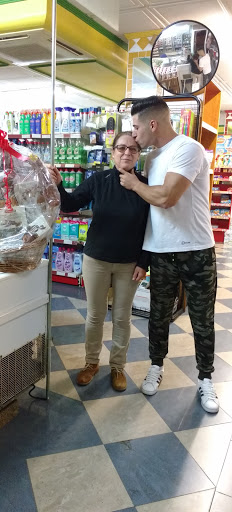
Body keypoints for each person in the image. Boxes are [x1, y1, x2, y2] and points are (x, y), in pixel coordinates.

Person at [119, 96, 219, 413]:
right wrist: (143, 256)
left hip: (196, 251)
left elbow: (165, 198)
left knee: (202, 320)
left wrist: (134, 184)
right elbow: (151, 213)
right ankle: (156, 365)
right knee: (157, 317)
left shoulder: (188, 149)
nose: (133, 136)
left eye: (136, 128)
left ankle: (205, 379)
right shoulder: (152, 159)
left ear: (153, 124)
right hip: (162, 252)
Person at [48, 132, 149, 392]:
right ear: (112, 152)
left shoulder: (145, 185)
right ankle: (91, 363)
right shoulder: (99, 179)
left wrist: (144, 262)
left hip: (130, 264)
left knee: (122, 317)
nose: (126, 153)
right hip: (96, 259)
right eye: (121, 148)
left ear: (138, 154)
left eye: (132, 149)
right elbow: (69, 204)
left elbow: (153, 228)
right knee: (95, 315)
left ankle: (117, 367)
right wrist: (59, 184)